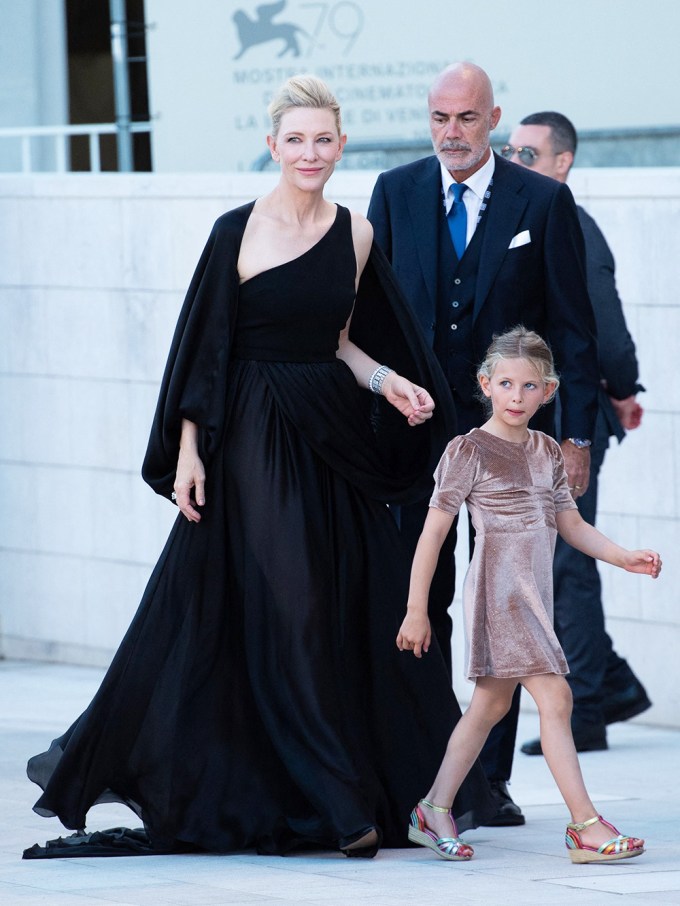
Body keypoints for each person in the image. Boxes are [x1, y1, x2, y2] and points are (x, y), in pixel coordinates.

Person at [25, 75, 495, 860]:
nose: (309, 153)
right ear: (273, 145)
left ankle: (372, 787)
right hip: (250, 435)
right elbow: (201, 353)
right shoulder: (233, 231)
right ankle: (340, 804)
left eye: (323, 140)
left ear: (341, 146)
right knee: (293, 608)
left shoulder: (355, 233)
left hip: (329, 433)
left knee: (356, 605)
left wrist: (391, 382)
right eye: (295, 140)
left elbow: (340, 341)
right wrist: (187, 454)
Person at [367, 61, 600, 826]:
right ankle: (427, 773)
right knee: (418, 599)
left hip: (515, 445)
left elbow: (573, 324)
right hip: (414, 439)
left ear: (493, 118)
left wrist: (574, 437)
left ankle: (488, 787)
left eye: (466, 118)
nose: (452, 134)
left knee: (508, 604)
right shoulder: (395, 193)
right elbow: (370, 323)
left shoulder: (544, 201)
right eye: (439, 118)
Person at [397, 326, 661, 864]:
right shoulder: (467, 451)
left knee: (490, 705)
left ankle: (433, 808)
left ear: (550, 390)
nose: (517, 397)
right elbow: (433, 534)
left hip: (533, 594)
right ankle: (585, 826)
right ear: (485, 384)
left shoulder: (546, 451)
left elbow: (570, 523)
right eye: (506, 384)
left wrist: (622, 555)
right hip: (499, 595)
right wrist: (416, 609)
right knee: (557, 697)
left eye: (530, 386)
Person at [501, 112, 651, 756]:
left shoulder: (570, 223)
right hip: (540, 417)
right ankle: (610, 684)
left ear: (564, 163)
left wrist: (623, 388)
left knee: (568, 564)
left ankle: (587, 707)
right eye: (512, 153)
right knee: (556, 563)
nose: (518, 163)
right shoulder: (524, 218)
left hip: (572, 422)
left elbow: (602, 327)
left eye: (530, 154)